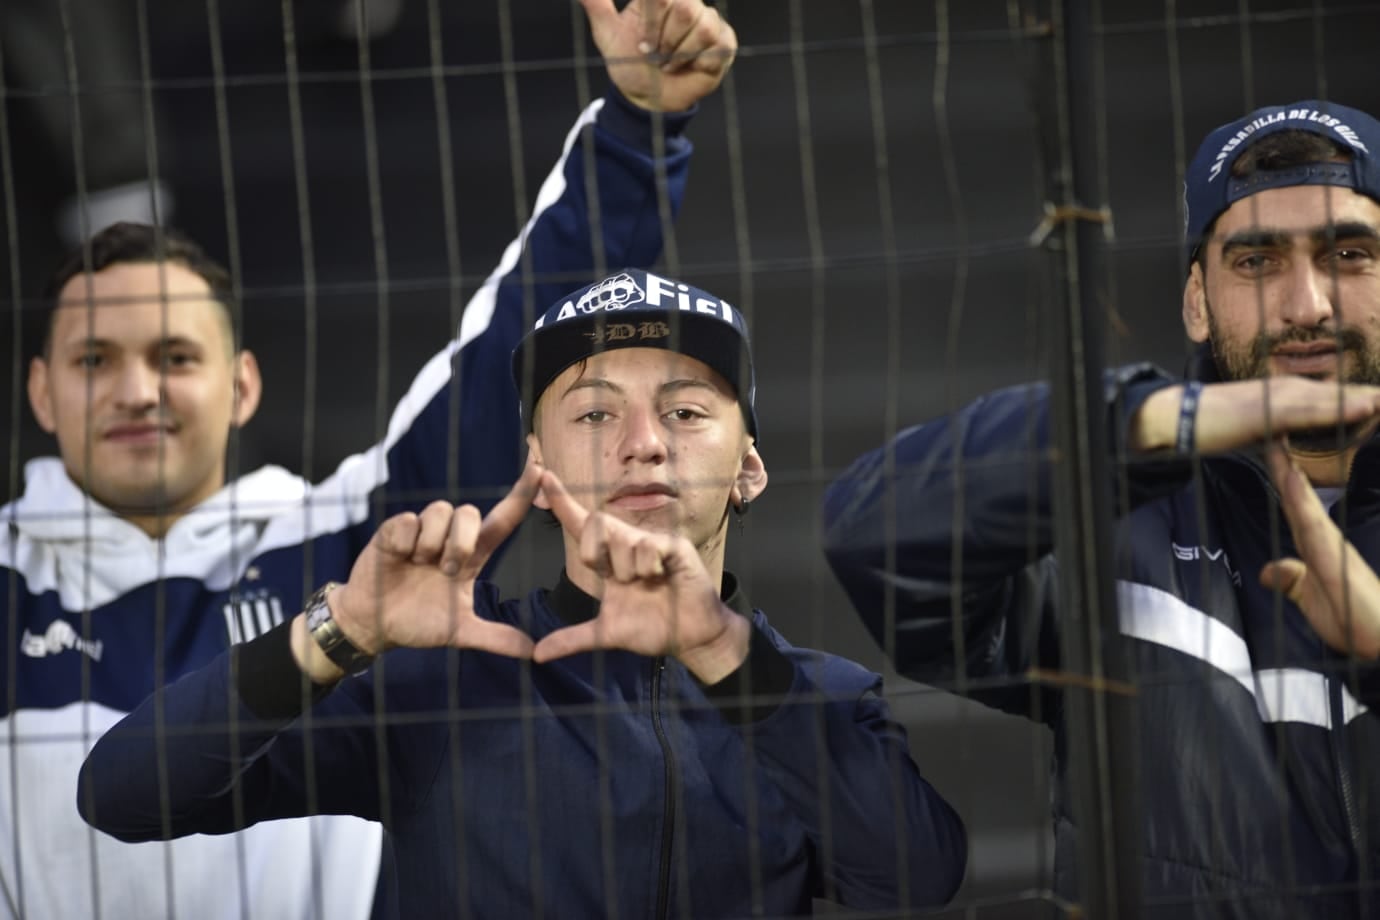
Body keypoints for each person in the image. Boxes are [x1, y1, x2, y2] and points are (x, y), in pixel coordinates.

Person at [2, 2, 738, 918]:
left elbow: (512, 338)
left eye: (176, 357)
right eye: (94, 361)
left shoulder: (362, 540)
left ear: (242, 387)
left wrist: (640, 125)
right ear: (40, 393)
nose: (138, 390)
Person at [77, 267, 969, 917]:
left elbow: (915, 879)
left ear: (750, 467)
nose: (643, 443)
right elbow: (122, 797)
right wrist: (341, 627)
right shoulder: (441, 681)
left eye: (687, 411)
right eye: (593, 413)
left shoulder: (821, 698)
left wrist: (726, 659)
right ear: (538, 474)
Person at [821, 100, 1380, 919]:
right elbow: (872, 532)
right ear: (1196, 300)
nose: (1308, 305)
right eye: (1256, 261)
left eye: (1349, 254)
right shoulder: (1114, 525)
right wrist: (1139, 426)